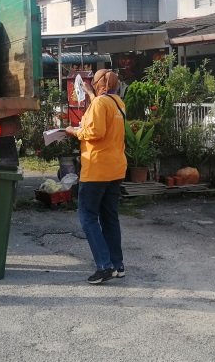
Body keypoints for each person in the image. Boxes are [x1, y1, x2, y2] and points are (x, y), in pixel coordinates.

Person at [65, 69, 127, 284]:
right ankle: (117, 265)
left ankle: (104, 266)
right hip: (115, 168)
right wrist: (91, 94)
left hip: (96, 169)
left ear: (100, 83)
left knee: (88, 217)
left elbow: (95, 132)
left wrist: (74, 131)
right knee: (109, 217)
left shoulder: (101, 103)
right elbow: (102, 110)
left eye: (94, 81)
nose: (91, 83)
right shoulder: (117, 102)